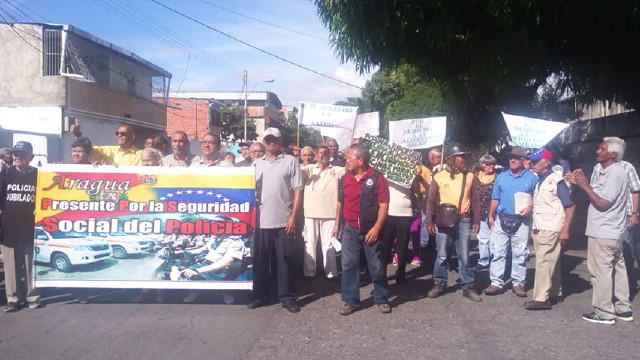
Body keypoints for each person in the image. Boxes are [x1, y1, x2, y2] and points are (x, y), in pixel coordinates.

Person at [565, 137, 632, 324]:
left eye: (602, 149)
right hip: (610, 231)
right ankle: (623, 309)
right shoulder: (602, 170)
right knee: (618, 269)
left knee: (600, 271)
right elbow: (598, 193)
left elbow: (603, 202)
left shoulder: (616, 173)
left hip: (604, 231)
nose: (597, 151)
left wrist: (584, 184)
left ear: (613, 154)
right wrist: (579, 183)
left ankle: (604, 312)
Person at [248, 128, 303, 313]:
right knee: (261, 261)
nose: (272, 142)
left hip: (283, 221)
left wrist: (293, 217)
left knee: (284, 261)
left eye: (275, 139)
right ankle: (260, 296)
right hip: (261, 222)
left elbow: (298, 191)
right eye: (268, 139)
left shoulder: (291, 161)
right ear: (264, 141)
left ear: (281, 141)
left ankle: (287, 297)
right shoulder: (256, 164)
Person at [334, 144, 391, 315]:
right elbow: (340, 203)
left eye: (350, 157)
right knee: (349, 265)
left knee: (377, 266)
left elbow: (384, 205)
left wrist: (377, 228)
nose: (347, 160)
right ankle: (350, 301)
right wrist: (337, 225)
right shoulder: (344, 178)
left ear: (360, 160)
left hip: (371, 230)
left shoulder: (378, 178)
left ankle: (381, 298)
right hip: (350, 229)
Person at [425, 142, 482, 302]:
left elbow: (475, 200)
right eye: (460, 157)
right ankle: (439, 283)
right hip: (443, 221)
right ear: (450, 159)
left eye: (465, 157)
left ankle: (468, 286)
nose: (464, 159)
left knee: (464, 255)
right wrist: (429, 221)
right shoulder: (439, 176)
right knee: (442, 255)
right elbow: (430, 201)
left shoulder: (470, 176)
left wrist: (476, 220)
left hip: (464, 221)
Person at [524, 148, 576, 310]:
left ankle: (541, 299)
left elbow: (570, 206)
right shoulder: (541, 180)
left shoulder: (556, 180)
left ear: (545, 163)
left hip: (551, 227)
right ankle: (554, 293)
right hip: (542, 226)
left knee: (543, 263)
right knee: (552, 261)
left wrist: (565, 230)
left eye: (535, 161)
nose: (532, 164)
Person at [484, 146, 537, 298]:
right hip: (502, 219)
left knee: (520, 253)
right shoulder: (501, 177)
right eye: (510, 158)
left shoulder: (532, 178)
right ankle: (496, 283)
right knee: (498, 252)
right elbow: (495, 198)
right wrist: (490, 215)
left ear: (523, 160)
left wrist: (531, 206)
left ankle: (518, 283)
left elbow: (537, 198)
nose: (512, 160)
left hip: (522, 221)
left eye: (516, 158)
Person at [0, 141, 41, 312]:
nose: (18, 157)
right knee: (10, 266)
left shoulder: (38, 174)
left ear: (31, 156)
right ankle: (13, 298)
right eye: (16, 153)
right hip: (8, 227)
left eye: (23, 154)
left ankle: (33, 296)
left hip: (31, 227)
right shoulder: (5, 173)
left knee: (31, 264)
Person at [591, 157, 640, 296]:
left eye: (603, 149)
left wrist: (635, 214)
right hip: (605, 217)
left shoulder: (627, 167)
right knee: (607, 257)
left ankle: (628, 289)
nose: (598, 152)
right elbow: (594, 190)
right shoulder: (598, 168)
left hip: (625, 216)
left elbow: (635, 190)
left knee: (626, 252)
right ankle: (612, 290)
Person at [301, 145, 345, 279]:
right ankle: (309, 272)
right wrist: (298, 157)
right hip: (310, 213)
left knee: (329, 246)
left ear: (329, 155)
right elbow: (296, 172)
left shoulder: (336, 170)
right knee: (309, 244)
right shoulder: (308, 169)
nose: (323, 155)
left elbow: (349, 169)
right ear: (316, 155)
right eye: (320, 153)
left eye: (325, 153)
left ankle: (331, 273)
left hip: (330, 215)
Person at [71, 121, 142, 166]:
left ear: (132, 136)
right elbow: (86, 149)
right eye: (117, 133)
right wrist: (78, 135)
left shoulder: (141, 154)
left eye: (123, 134)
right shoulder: (109, 151)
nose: (119, 135)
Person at [471, 154, 497, 270]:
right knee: (482, 238)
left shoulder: (498, 178)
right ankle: (483, 260)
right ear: (482, 165)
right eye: (488, 164)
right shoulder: (475, 177)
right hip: (479, 212)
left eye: (493, 164)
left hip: (494, 212)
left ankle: (495, 259)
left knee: (494, 238)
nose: (491, 166)